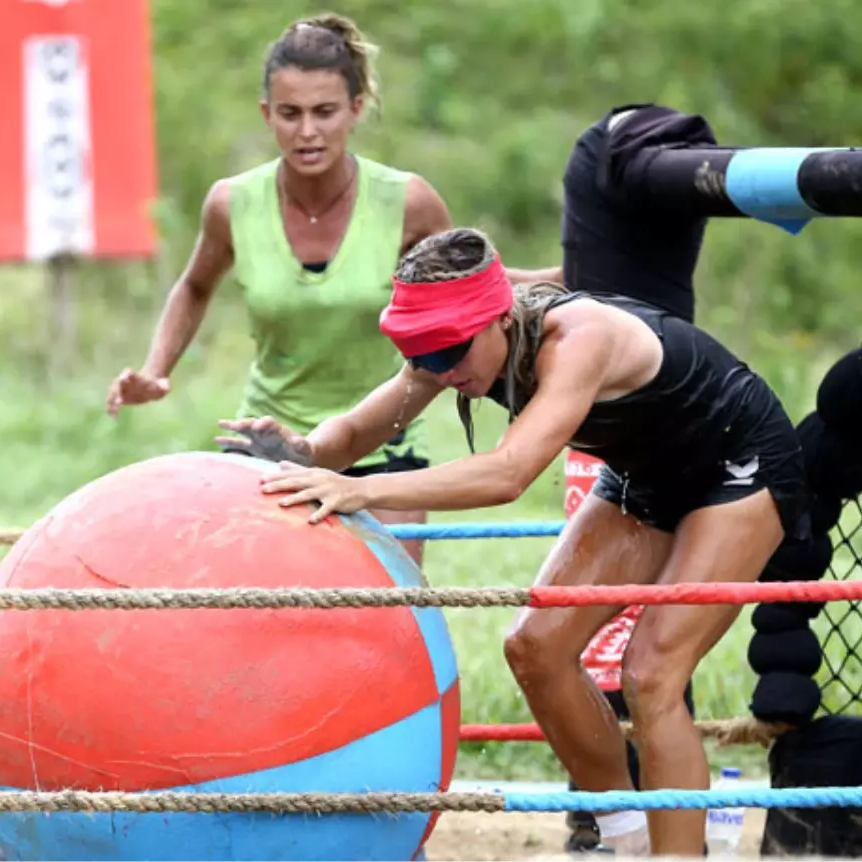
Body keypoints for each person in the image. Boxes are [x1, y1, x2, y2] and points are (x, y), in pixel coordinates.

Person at [217, 227, 809, 858]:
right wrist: (300, 452)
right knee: (535, 647)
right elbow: (365, 425)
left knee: (653, 674)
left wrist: (361, 492)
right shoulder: (453, 345)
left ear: (497, 318)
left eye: (449, 354)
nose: (440, 370)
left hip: (737, 463)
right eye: (426, 355)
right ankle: (624, 834)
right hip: (646, 471)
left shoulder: (580, 339)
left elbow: (509, 473)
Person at [105, 13, 558, 568]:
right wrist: (156, 370)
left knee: (393, 620)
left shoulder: (406, 202)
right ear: (266, 114)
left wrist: (573, 275)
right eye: (290, 114)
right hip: (272, 443)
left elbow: (482, 287)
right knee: (266, 615)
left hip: (383, 439)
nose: (308, 131)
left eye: (325, 112)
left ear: (355, 109)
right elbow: (194, 286)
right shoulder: (232, 204)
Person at [556, 102, 720, 852]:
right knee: (590, 638)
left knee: (648, 653)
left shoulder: (647, 188)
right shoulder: (602, 242)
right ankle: (604, 811)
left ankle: (650, 818)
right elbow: (582, 275)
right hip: (600, 426)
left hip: (659, 423)